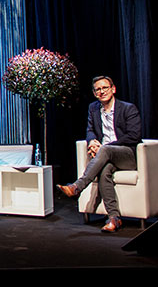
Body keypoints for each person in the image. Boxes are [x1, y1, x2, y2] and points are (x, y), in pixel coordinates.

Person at [57, 76, 141, 232]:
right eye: (98, 89)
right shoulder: (93, 108)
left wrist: (104, 146)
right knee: (104, 171)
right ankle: (114, 219)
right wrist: (92, 142)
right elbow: (90, 130)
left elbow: (133, 136)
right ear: (94, 93)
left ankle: (77, 187)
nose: (102, 92)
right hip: (106, 156)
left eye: (105, 88)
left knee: (105, 150)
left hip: (126, 155)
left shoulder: (128, 108)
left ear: (113, 89)